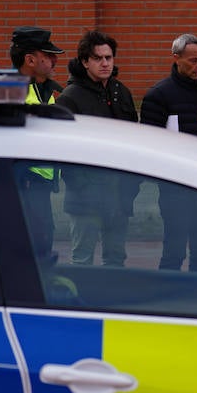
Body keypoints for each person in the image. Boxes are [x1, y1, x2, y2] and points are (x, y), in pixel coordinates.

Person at [139, 33, 197, 272]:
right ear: (176, 58)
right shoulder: (159, 95)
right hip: (176, 190)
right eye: (194, 61)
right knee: (173, 252)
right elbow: (150, 146)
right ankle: (167, 301)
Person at [56, 29, 139, 266]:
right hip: (86, 198)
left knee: (116, 258)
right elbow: (64, 152)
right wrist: (84, 186)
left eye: (109, 58)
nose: (105, 63)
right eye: (98, 58)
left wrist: (131, 184)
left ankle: (112, 303)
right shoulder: (70, 98)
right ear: (85, 62)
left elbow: (134, 139)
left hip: (119, 193)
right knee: (83, 259)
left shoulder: (120, 92)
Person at [10, 26, 66, 260]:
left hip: (43, 182)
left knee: (44, 237)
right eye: (48, 55)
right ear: (30, 59)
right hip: (23, 181)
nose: (54, 60)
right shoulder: (11, 93)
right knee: (32, 243)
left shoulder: (55, 90)